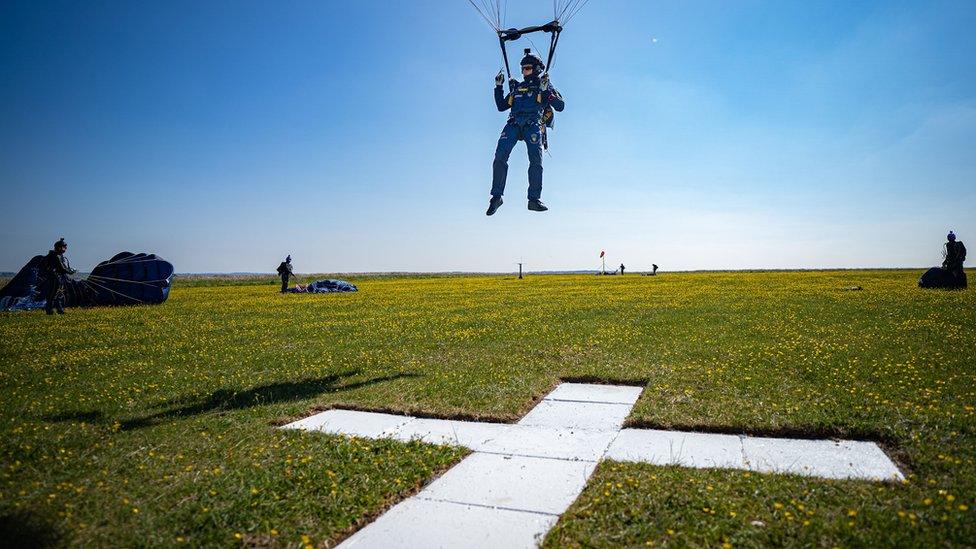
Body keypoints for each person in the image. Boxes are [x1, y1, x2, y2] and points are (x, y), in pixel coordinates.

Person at [486, 49, 565, 216]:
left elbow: (560, 106)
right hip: (513, 123)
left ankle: (534, 200)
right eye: (522, 68)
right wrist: (498, 87)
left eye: (527, 68)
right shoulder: (518, 87)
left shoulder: (544, 85)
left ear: (536, 69)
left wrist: (546, 92)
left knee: (535, 161)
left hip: (533, 124)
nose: (523, 72)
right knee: (500, 155)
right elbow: (501, 106)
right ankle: (496, 197)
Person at [43, 237, 76, 315]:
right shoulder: (56, 256)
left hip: (56, 277)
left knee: (59, 293)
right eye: (64, 248)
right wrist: (71, 272)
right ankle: (49, 310)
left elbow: (63, 267)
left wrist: (69, 270)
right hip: (55, 277)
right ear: (60, 248)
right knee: (54, 294)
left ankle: (59, 309)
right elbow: (62, 268)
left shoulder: (55, 255)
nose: (65, 249)